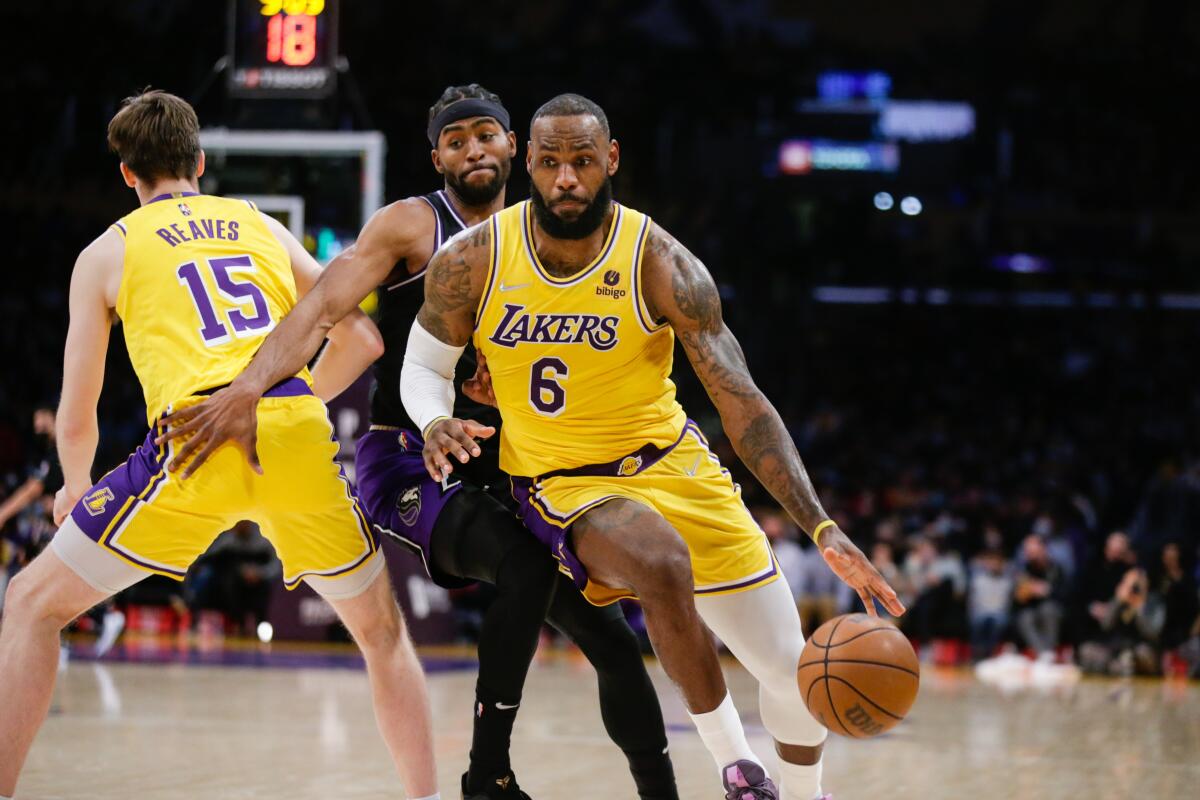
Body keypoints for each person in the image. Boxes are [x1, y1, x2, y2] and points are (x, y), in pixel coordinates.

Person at [156, 84, 678, 800]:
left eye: (485, 135)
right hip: (407, 456)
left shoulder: (545, 237)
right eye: (455, 139)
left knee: (616, 644)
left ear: (514, 150)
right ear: (436, 156)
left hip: (507, 465)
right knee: (526, 570)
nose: (472, 149)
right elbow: (323, 307)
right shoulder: (410, 225)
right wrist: (251, 385)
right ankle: (485, 774)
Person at [406, 94, 902, 800]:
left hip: (674, 464)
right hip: (563, 482)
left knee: (796, 674)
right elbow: (422, 365)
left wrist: (820, 525)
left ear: (610, 160)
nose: (567, 178)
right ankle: (738, 768)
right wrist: (433, 419)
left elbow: (743, 404)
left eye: (582, 160)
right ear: (530, 165)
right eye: (550, 163)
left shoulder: (661, 262)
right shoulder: (475, 260)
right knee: (660, 559)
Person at [0, 91, 439, 800]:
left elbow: (76, 411)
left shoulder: (106, 250)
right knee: (383, 637)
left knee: (29, 603)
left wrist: (75, 482)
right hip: (292, 431)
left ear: (127, 176)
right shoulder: (258, 225)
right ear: (199, 163)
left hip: (195, 438)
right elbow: (363, 338)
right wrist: (286, 405)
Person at [1012, 534, 1067, 660]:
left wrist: (1047, 590)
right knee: (1024, 617)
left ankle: (1049, 651)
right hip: (1031, 609)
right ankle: (1044, 654)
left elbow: (1066, 594)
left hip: (1053, 609)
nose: (1028, 553)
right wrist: (1023, 593)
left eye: (1032, 550)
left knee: (1048, 609)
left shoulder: (1056, 568)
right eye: (1027, 551)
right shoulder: (1024, 569)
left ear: (1043, 549)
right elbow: (1017, 600)